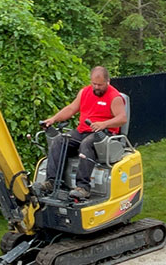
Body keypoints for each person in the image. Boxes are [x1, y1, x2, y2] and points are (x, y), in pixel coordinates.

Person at [36, 66, 126, 199]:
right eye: (94, 84)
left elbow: (122, 118)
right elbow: (71, 108)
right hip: (83, 130)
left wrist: (103, 124)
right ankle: (52, 182)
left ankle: (83, 187)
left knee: (86, 144)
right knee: (60, 140)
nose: (96, 87)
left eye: (100, 85)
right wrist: (53, 119)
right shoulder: (84, 92)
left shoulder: (114, 97)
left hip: (104, 134)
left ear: (108, 81)